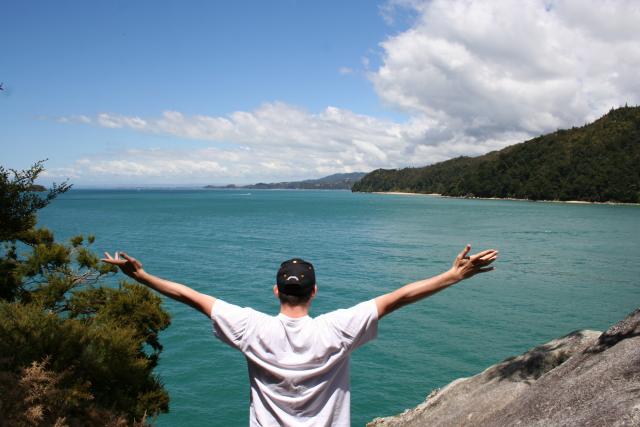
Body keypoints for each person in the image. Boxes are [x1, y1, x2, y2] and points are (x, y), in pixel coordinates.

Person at [102, 244, 498, 426]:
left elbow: (191, 297)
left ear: (276, 291)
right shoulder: (338, 329)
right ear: (314, 291)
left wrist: (140, 276)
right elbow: (400, 297)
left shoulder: (248, 328)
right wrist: (454, 274)